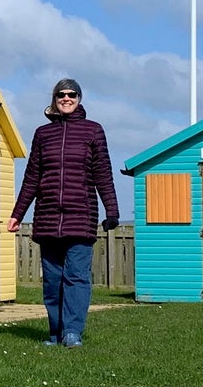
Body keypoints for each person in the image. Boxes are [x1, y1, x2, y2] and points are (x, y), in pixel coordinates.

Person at [7, 78, 119, 348]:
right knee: (53, 280)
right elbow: (32, 176)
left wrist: (112, 211)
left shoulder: (93, 131)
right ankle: (56, 333)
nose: (66, 98)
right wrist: (17, 213)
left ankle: (72, 332)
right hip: (47, 219)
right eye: (61, 95)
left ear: (79, 99)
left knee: (76, 277)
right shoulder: (42, 135)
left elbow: (103, 173)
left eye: (72, 94)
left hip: (81, 217)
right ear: (54, 100)